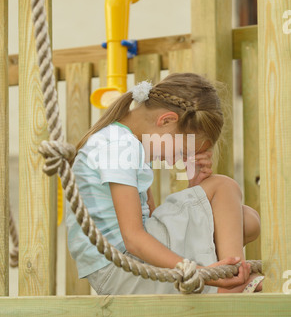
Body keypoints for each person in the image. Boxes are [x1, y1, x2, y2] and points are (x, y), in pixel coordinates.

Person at [66, 72, 263, 295]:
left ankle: (229, 281)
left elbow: (149, 221)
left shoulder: (124, 143)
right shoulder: (119, 146)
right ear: (166, 121)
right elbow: (134, 239)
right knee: (224, 187)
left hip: (124, 270)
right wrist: (197, 272)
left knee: (246, 220)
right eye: (181, 151)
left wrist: (195, 187)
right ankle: (231, 286)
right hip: (123, 269)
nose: (176, 160)